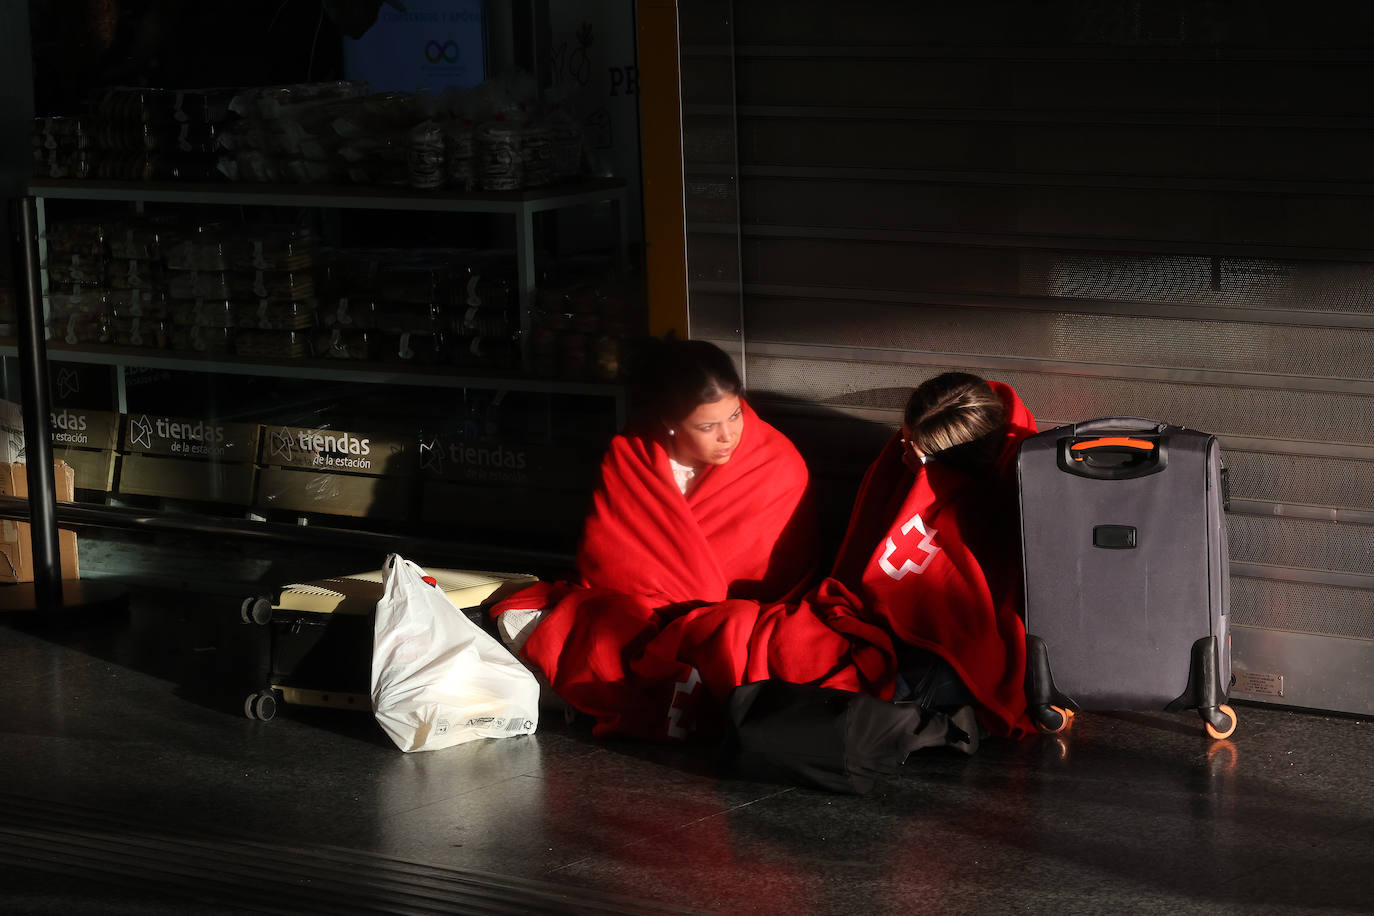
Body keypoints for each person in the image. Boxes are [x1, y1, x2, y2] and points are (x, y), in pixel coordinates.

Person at [491, 338, 828, 739]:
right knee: (594, 625)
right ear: (669, 421)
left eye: (735, 415)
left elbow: (777, 577)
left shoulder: (776, 463)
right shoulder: (630, 453)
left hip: (736, 619)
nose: (728, 435)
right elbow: (608, 557)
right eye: (707, 426)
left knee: (751, 638)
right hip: (643, 612)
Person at [829, 372, 1039, 738]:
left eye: (914, 448)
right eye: (905, 437)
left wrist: (930, 483)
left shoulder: (1021, 476)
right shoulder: (912, 456)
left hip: (963, 649)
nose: (902, 452)